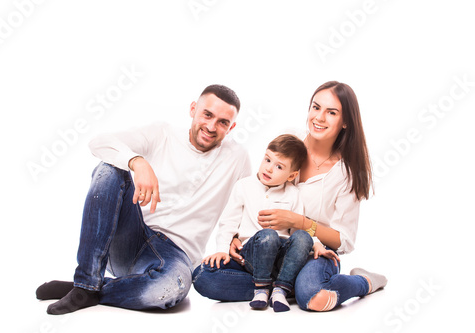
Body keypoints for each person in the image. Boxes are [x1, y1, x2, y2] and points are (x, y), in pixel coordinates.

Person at [36, 84, 251, 314]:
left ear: (231, 127)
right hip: (131, 236)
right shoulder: (162, 134)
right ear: (193, 109)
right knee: (109, 168)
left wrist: (237, 237)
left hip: (175, 257)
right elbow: (98, 142)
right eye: (207, 114)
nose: (211, 126)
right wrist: (136, 162)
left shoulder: (237, 157)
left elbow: (248, 203)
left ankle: (86, 290)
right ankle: (87, 279)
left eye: (222, 122)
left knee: (169, 290)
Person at [192, 81, 387, 312]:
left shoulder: (346, 173)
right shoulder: (291, 140)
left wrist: (300, 223)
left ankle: (362, 282)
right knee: (204, 276)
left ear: (345, 122)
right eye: (316, 107)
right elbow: (257, 190)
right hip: (266, 251)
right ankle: (282, 288)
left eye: (331, 112)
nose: (319, 117)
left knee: (314, 299)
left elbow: (343, 240)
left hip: (313, 251)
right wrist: (235, 237)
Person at [203, 134, 338, 312]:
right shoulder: (244, 186)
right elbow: (228, 222)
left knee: (302, 237)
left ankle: (280, 289)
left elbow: (299, 229)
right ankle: (265, 288)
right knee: (203, 274)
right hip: (252, 252)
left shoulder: (293, 193)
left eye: (279, 166)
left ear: (292, 175)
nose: (269, 169)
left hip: (282, 258)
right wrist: (221, 249)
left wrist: (317, 244)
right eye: (267, 160)